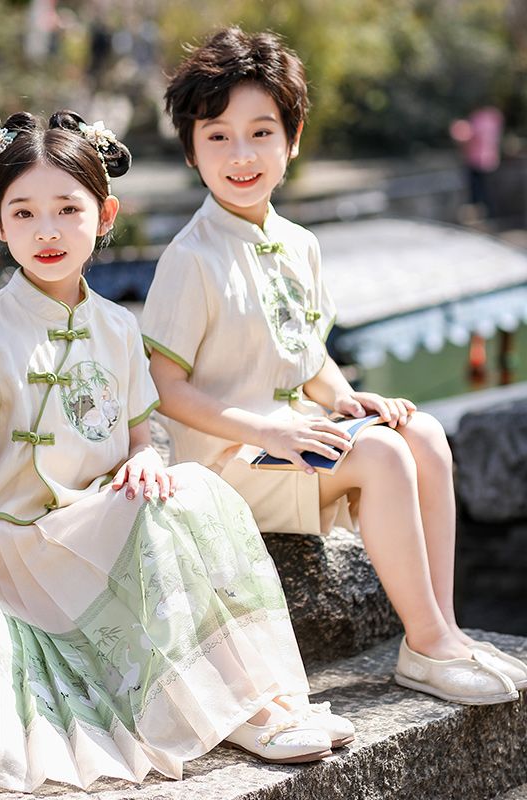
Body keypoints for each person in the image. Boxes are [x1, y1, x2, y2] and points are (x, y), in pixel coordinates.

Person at [0, 110, 353, 792]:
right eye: (23, 213)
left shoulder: (117, 325)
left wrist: (145, 459)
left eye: (67, 208)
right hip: (12, 541)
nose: (48, 231)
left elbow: (143, 434)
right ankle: (247, 711)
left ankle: (265, 698)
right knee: (160, 514)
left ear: (105, 212)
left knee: (194, 489)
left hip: (91, 517)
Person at [141, 27, 527, 708]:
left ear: (292, 140)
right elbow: (166, 388)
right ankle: (430, 648)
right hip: (230, 463)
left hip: (294, 446)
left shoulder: (299, 245)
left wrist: (349, 400)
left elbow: (307, 351)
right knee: (378, 458)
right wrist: (271, 433)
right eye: (218, 136)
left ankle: (440, 632)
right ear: (192, 149)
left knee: (424, 435)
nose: (241, 155)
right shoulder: (189, 259)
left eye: (261, 132)